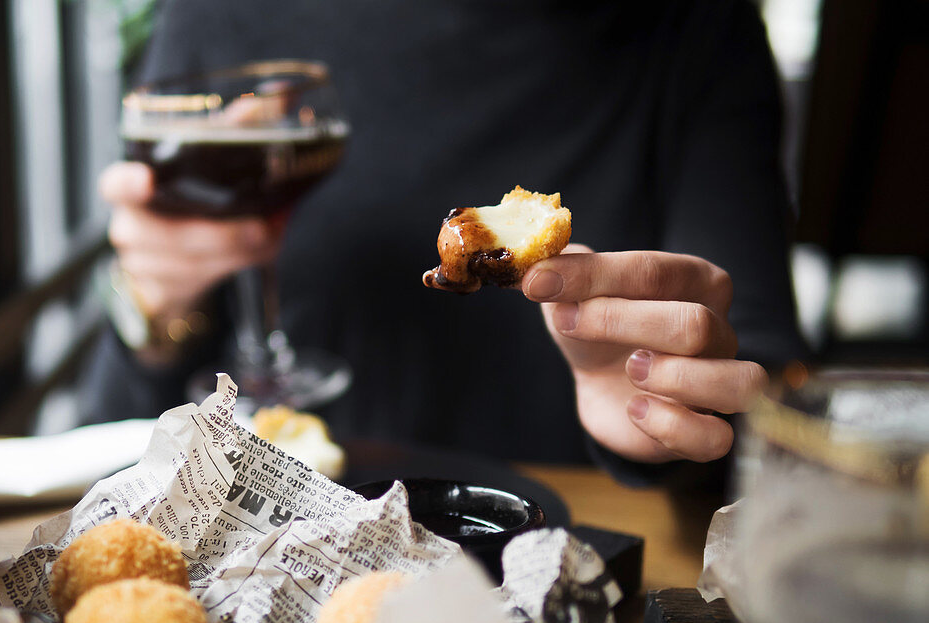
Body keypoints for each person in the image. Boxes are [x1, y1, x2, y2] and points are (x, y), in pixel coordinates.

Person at [80, 0, 807, 481]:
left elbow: (767, 413)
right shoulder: (222, 17)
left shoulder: (698, 28)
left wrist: (670, 413)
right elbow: (107, 440)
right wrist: (152, 310)